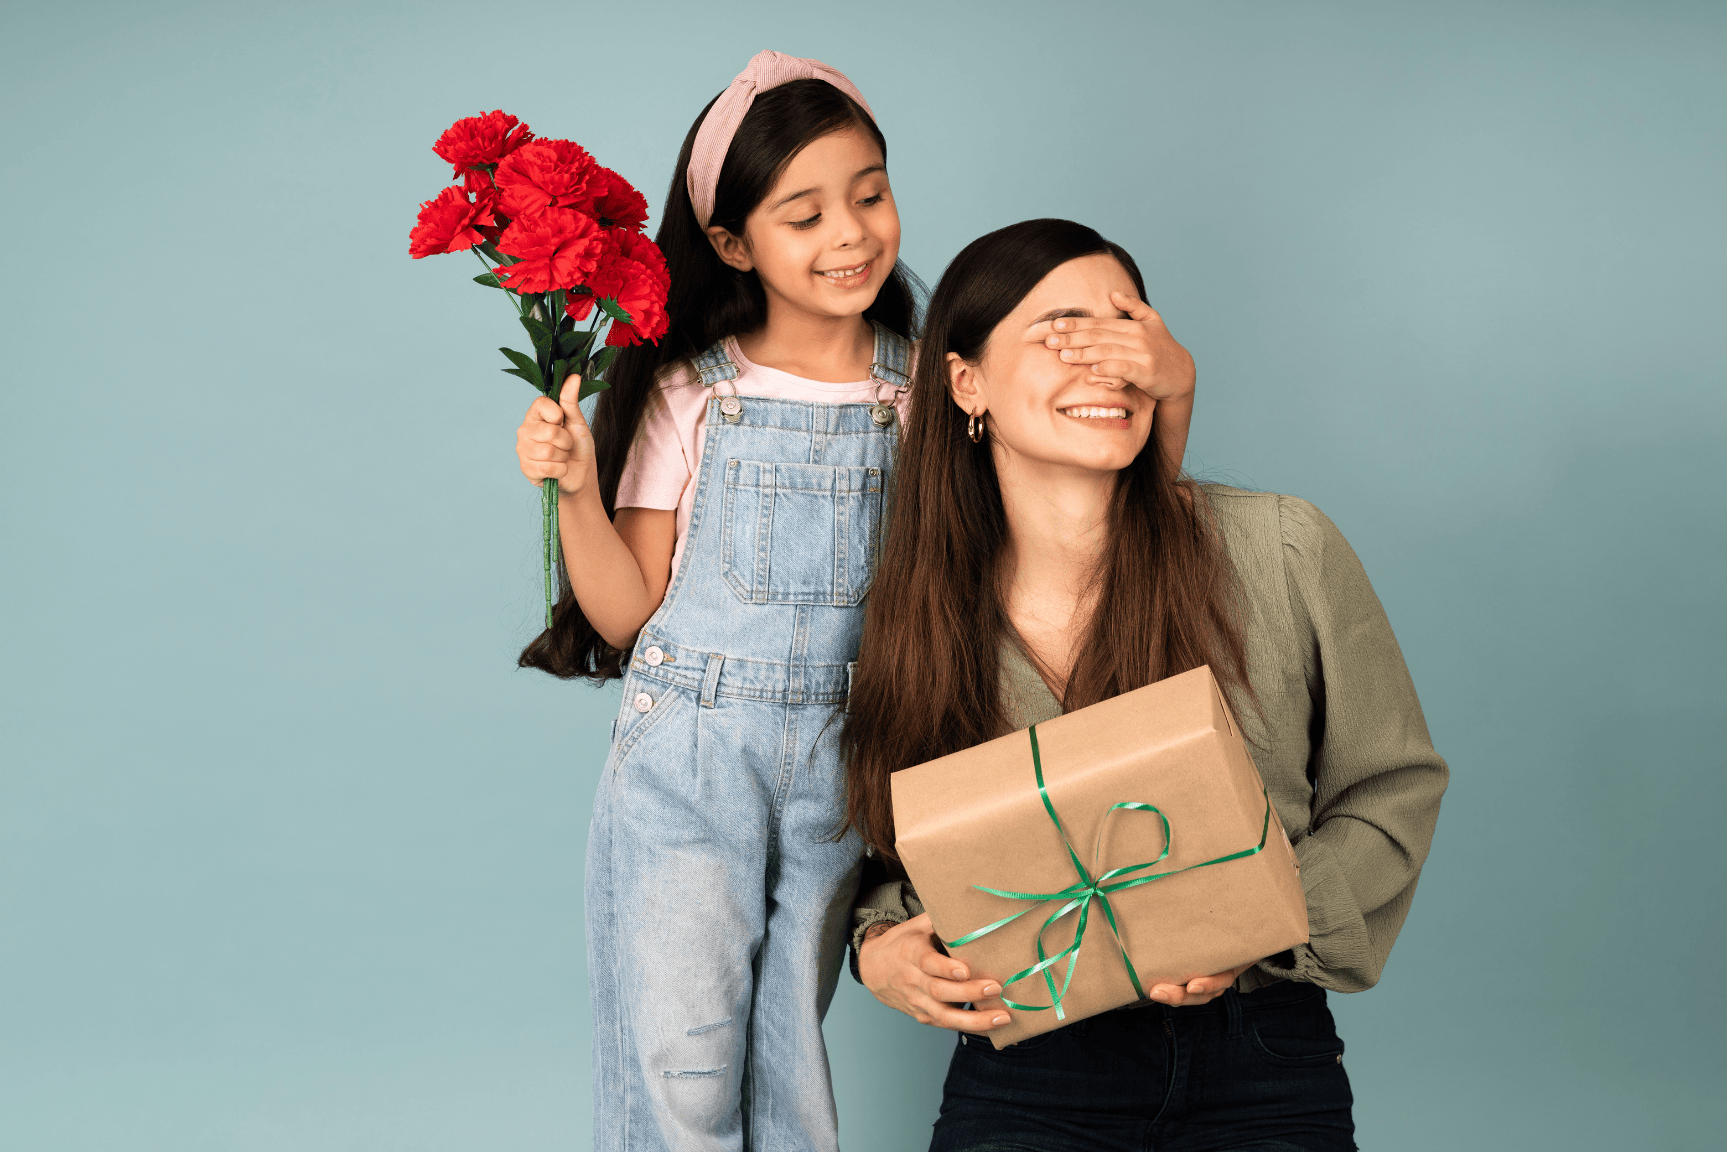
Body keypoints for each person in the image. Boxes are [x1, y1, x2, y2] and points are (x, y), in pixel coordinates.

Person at [510, 54, 1198, 1152]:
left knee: (790, 1058)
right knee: (676, 1062)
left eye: (869, 194)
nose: (850, 233)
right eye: (803, 213)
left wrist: (1171, 392)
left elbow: (1095, 517)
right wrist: (578, 490)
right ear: (734, 244)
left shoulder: (930, 386)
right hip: (690, 750)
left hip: (851, 751)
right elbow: (621, 615)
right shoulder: (692, 389)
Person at [844, 218, 1448, 1151]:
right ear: (965, 382)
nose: (1105, 362)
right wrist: (882, 945)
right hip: (1028, 1075)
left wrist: (1248, 917)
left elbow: (1392, 790)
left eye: (1126, 331)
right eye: (1060, 332)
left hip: (1262, 1061)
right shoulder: (907, 606)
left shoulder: (1282, 547)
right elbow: (895, 847)